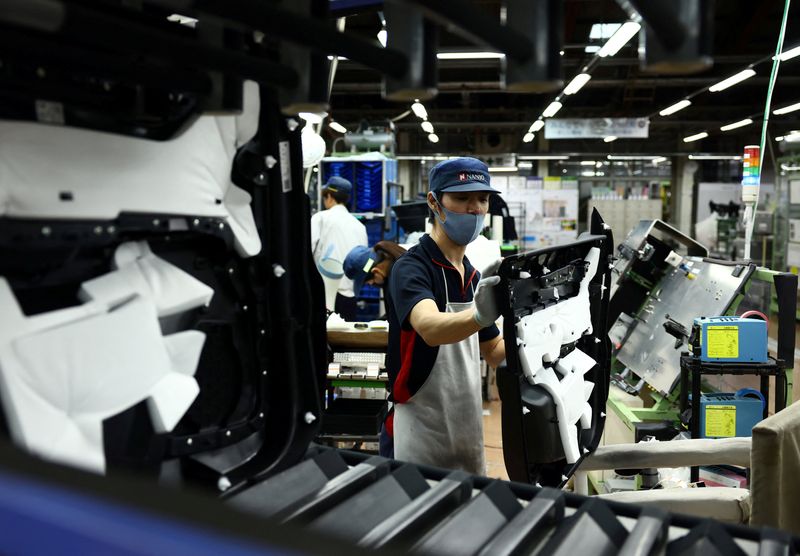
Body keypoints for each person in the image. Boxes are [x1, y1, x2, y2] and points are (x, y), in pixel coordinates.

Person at [385, 157, 506, 474]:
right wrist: (480, 316)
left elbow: (493, 351)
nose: (475, 208)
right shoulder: (412, 268)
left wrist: (551, 334)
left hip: (465, 427)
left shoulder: (472, 276)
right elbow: (430, 327)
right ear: (434, 203)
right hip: (419, 430)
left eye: (482, 199)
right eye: (462, 198)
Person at [310, 176, 367, 321]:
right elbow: (365, 263)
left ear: (329, 196)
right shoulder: (360, 226)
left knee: (322, 340)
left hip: (324, 294)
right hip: (349, 295)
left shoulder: (320, 218)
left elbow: (307, 251)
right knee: (345, 340)